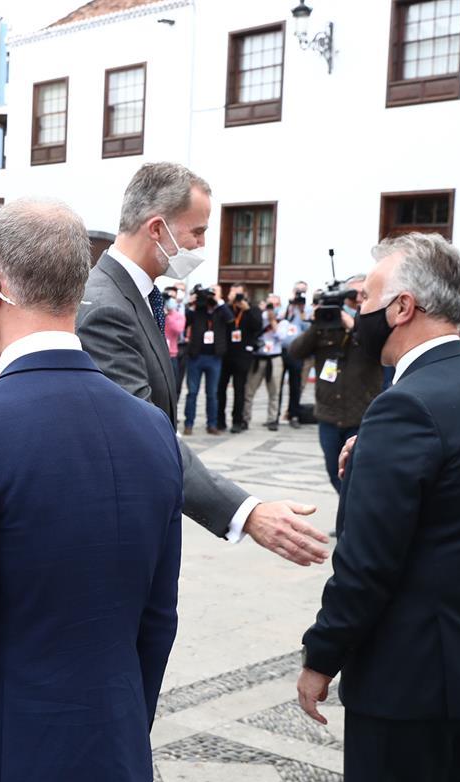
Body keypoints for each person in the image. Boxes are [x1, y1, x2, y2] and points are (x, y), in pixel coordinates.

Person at [0, 199, 182, 782]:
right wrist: (124, 728)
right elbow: (157, 618)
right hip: (112, 757)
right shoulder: (152, 426)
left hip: (1, 766)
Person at [78, 162, 328, 566]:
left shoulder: (135, 295)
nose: (201, 245)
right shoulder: (107, 306)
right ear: (156, 228)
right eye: (197, 231)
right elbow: (142, 431)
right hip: (118, 525)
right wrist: (246, 513)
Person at [297, 233, 460, 782]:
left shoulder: (405, 405)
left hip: (414, 682)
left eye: (366, 300)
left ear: (402, 308)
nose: (359, 313)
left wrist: (322, 656)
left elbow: (367, 564)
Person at [287, 275, 383, 493]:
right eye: (353, 294)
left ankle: (355, 525)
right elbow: (295, 352)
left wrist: (354, 326)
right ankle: (347, 523)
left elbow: (378, 352)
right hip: (329, 415)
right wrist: (317, 325)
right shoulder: (326, 326)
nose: (357, 298)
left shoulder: (374, 325)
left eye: (363, 293)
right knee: (335, 472)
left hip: (362, 416)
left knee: (360, 477)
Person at [182, 285, 232, 434]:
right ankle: (188, 424)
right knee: (192, 393)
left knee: (212, 394)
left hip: (214, 358)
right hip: (196, 357)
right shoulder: (197, 310)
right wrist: (191, 304)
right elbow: (185, 322)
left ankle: (212, 424)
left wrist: (219, 301)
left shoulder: (221, 311)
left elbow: (231, 320)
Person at [216, 285, 262, 433]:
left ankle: (238, 420)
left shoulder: (252, 309)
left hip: (242, 356)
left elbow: (258, 327)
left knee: (239, 390)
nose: (235, 297)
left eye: (238, 294)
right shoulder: (225, 309)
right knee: (220, 389)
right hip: (225, 354)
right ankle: (219, 420)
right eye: (233, 293)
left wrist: (247, 309)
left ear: (245, 295)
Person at [243, 303, 289, 430]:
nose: (270, 310)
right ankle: (245, 418)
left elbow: (281, 337)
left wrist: (273, 321)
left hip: (274, 359)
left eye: (272, 307)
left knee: (274, 391)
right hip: (258, 358)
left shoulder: (282, 322)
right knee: (249, 390)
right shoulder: (260, 319)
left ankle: (272, 419)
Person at [280, 293, 311, 427]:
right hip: (281, 351)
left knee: (295, 385)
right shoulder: (283, 310)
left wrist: (303, 313)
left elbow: (308, 329)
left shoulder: (305, 312)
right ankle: (275, 416)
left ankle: (294, 415)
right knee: (277, 386)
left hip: (296, 353)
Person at [164, 291, 187, 396]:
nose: (170, 300)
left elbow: (178, 329)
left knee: (173, 386)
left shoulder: (179, 316)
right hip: (158, 353)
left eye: (173, 298)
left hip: (172, 354)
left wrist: (168, 315)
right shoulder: (155, 311)